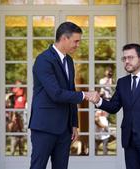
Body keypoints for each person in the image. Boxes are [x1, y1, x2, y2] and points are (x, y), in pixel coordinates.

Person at [29, 22, 96, 169]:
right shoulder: (43, 60)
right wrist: (85, 95)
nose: (78, 45)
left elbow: (70, 90)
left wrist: (73, 124)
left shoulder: (69, 61)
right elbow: (56, 94)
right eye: (76, 41)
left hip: (64, 129)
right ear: (64, 38)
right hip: (44, 127)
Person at [92, 43, 140, 169]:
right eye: (124, 58)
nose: (127, 61)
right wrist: (98, 101)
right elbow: (114, 106)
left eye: (130, 58)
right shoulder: (122, 82)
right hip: (129, 141)